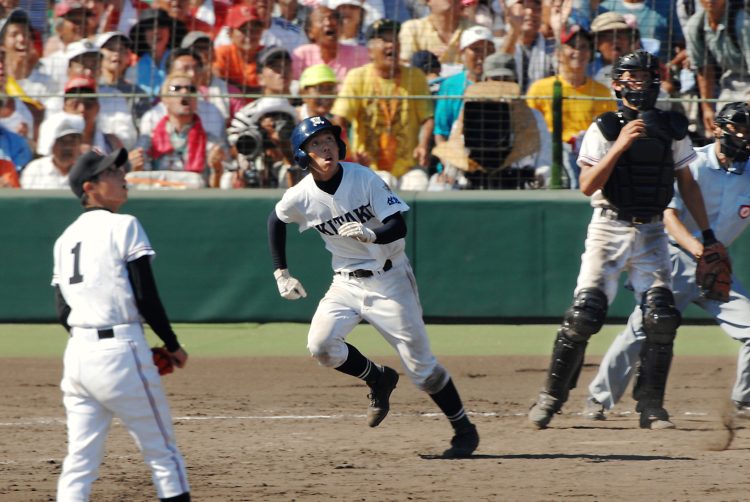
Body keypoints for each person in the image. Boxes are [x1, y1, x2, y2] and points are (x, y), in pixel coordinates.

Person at [267, 115, 480, 457]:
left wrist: (370, 234)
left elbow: (398, 226)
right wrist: (281, 272)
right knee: (321, 345)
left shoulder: (363, 178)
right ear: (303, 155)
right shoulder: (301, 195)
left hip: (390, 279)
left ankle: (464, 429)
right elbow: (276, 219)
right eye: (316, 144)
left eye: (330, 141)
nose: (326, 148)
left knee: (422, 369)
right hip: (345, 282)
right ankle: (378, 378)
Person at [527, 50, 717, 430]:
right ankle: (550, 399)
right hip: (609, 226)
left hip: (651, 231)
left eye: (644, 76)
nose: (637, 84)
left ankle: (651, 406)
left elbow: (688, 183)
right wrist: (620, 145)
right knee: (584, 315)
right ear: (616, 83)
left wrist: (708, 235)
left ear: (656, 80)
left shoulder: (671, 128)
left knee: (662, 318)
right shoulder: (605, 127)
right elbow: (586, 185)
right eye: (628, 77)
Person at [583, 102, 750, 422]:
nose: (743, 135)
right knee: (643, 329)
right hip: (676, 258)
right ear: (717, 129)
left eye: (748, 129)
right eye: (737, 127)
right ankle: (598, 397)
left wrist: (711, 255)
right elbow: (668, 214)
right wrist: (699, 249)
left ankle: (743, 401)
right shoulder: (694, 163)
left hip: (715, 267)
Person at [53, 148, 191, 501]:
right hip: (120, 353)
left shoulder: (65, 238)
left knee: (79, 463)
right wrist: (172, 345)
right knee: (163, 454)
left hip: (78, 358)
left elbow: (62, 312)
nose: (121, 175)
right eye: (111, 172)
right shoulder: (124, 224)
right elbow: (146, 295)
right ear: (91, 187)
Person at [331, 19, 434, 184]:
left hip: (408, 166)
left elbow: (427, 117)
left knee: (419, 183)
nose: (391, 45)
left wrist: (422, 145)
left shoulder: (416, 76)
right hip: (368, 167)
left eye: (394, 39)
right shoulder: (357, 77)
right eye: (385, 40)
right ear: (370, 51)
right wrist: (349, 155)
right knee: (383, 183)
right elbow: (339, 120)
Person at [525, 25, 616, 189]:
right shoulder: (539, 89)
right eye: (572, 46)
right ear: (558, 53)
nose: (578, 52)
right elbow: (529, 129)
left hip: (590, 157)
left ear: (590, 54)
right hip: (551, 157)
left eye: (583, 47)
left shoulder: (602, 91)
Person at [131, 72, 226, 188]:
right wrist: (135, 166)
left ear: (196, 100)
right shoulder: (149, 139)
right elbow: (139, 180)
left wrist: (217, 170)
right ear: (165, 99)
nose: (185, 92)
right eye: (176, 89)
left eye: (191, 89)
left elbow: (215, 189)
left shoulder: (211, 142)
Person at [684, 0, 750, 137]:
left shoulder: (743, 22)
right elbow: (704, 69)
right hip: (730, 82)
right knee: (724, 126)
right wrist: (707, 107)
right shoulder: (695, 26)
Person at [291, 4, 369, 84]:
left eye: (333, 18)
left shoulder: (360, 54)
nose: (328, 23)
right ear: (310, 32)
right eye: (321, 20)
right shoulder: (302, 55)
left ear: (341, 28)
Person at [398, 0, 472, 70]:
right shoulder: (412, 28)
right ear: (428, 1)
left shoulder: (473, 29)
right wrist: (428, 60)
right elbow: (403, 64)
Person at [501, 0, 555, 94]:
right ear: (508, 12)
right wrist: (514, 30)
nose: (530, 12)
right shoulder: (495, 45)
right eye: (523, 6)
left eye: (536, 7)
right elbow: (499, 65)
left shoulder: (552, 48)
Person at [20, 113, 83, 189]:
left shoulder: (87, 172)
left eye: (72, 142)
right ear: (51, 145)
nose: (67, 147)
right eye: (62, 142)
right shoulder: (35, 169)